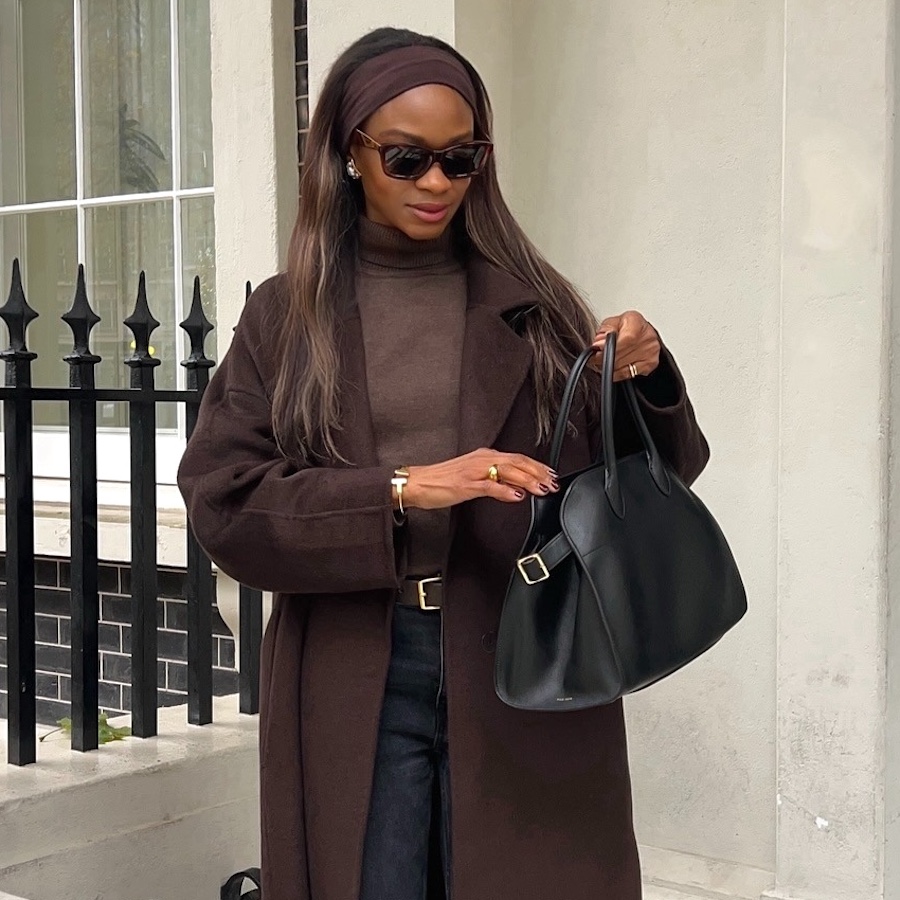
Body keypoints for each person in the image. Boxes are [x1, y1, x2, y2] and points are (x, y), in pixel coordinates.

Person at [178, 26, 709, 900]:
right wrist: (404, 490)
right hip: (356, 662)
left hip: (522, 656)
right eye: (407, 158)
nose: (436, 183)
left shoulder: (533, 304)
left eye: (461, 159)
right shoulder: (286, 319)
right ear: (350, 153)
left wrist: (646, 380)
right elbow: (225, 502)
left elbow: (652, 481)